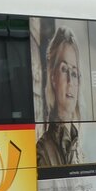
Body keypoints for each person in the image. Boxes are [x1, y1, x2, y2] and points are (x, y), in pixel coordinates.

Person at [36, 26, 83, 167]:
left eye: (74, 73)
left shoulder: (78, 146)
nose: (70, 80)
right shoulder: (42, 151)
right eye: (64, 69)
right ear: (53, 77)